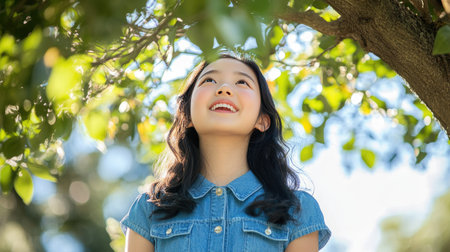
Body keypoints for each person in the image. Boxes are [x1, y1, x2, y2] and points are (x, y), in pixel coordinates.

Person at [120, 54, 331, 251]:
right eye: (209, 80)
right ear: (189, 116)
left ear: (262, 120)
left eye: (242, 82)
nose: (223, 89)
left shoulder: (298, 210)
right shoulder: (150, 208)